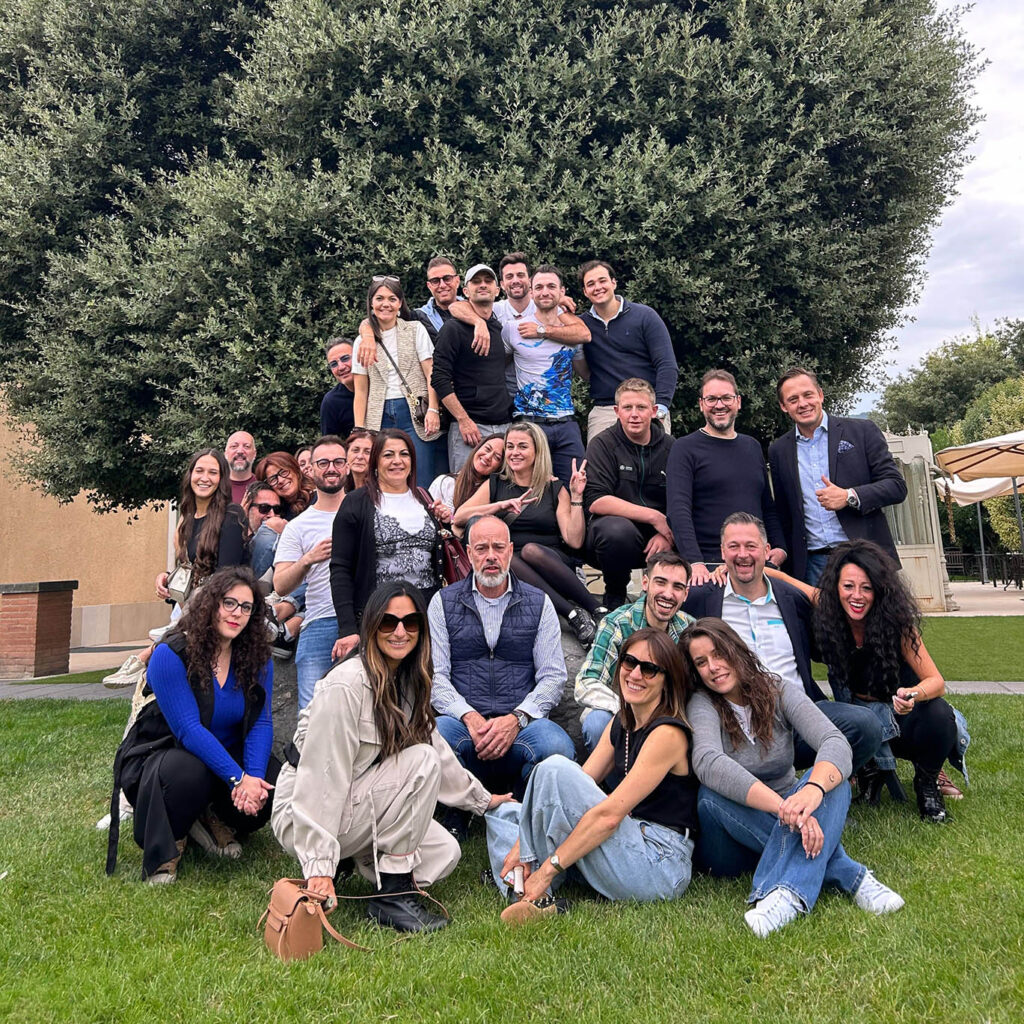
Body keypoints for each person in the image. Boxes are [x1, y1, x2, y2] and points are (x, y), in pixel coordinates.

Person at [271, 582, 512, 932]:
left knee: (444, 852)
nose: (400, 631)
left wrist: (483, 800)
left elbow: (440, 752)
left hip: (353, 802)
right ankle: (392, 895)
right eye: (388, 622)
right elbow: (322, 776)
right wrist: (319, 866)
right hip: (302, 812)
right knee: (421, 762)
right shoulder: (347, 685)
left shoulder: (408, 680)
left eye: (410, 622)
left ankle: (358, 867)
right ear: (371, 626)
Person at [681, 618, 904, 938]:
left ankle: (786, 894)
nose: (713, 667)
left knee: (830, 776)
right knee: (710, 795)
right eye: (701, 662)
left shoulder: (777, 689)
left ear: (736, 649)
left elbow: (834, 741)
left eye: (719, 654)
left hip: (790, 811)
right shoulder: (702, 703)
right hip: (728, 840)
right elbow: (708, 763)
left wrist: (812, 790)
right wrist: (785, 810)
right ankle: (850, 875)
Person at [486, 628, 697, 923]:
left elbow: (608, 816)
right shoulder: (622, 721)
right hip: (627, 845)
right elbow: (577, 785)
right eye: (628, 662)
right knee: (504, 811)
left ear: (666, 679)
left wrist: (545, 865)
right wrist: (524, 840)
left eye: (649, 669)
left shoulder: (667, 734)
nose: (635, 674)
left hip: (658, 863)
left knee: (553, 769)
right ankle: (534, 890)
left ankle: (532, 882)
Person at [106, 567, 277, 884]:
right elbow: (188, 730)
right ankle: (171, 839)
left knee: (272, 779)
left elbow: (261, 720)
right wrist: (238, 779)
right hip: (167, 757)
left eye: (246, 607)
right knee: (188, 773)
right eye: (229, 603)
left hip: (224, 759)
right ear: (210, 603)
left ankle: (209, 815)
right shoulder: (171, 654)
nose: (236, 613)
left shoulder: (256, 657)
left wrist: (253, 778)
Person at [684, 513, 882, 773]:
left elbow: (830, 639)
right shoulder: (701, 601)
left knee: (864, 724)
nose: (742, 554)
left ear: (766, 551)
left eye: (751, 546)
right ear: (722, 551)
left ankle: (819, 779)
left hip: (797, 718)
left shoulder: (792, 599)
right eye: (734, 546)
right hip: (734, 725)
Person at [813, 540, 965, 823]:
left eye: (866, 588)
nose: (856, 596)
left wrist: (912, 695)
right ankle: (870, 773)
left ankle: (927, 782)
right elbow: (801, 589)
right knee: (844, 719)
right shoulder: (830, 615)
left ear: (879, 591)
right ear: (835, 588)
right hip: (864, 719)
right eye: (848, 586)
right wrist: (761, 570)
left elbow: (936, 681)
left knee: (940, 713)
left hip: (901, 717)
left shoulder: (898, 625)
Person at [429, 516, 575, 813]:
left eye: (498, 547)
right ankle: (455, 815)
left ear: (510, 550)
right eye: (481, 548)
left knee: (557, 747)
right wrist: (469, 717)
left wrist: (516, 719)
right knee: (435, 738)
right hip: (464, 727)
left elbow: (553, 677)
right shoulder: (442, 602)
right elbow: (436, 677)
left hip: (521, 728)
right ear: (468, 553)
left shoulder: (539, 602)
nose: (491, 556)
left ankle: (523, 809)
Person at [103, 449, 248, 688]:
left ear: (221, 479)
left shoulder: (231, 515)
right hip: (193, 603)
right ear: (190, 475)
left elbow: (227, 575)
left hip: (224, 600)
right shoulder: (188, 519)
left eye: (213, 472)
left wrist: (196, 603)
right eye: (199, 471)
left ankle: (144, 656)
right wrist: (167, 578)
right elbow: (188, 567)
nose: (204, 477)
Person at [454, 421, 601, 645]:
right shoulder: (496, 484)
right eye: (510, 447)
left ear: (537, 451)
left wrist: (576, 496)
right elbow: (460, 516)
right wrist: (499, 506)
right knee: (507, 558)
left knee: (531, 550)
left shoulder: (553, 487)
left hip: (548, 558)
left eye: (522, 446)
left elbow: (574, 539)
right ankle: (573, 614)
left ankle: (597, 609)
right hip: (513, 565)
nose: (514, 453)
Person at [768, 367, 907, 584]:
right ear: (783, 406)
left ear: (820, 395)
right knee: (818, 620)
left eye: (808, 395)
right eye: (793, 399)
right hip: (812, 565)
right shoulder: (779, 450)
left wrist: (849, 496)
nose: (802, 403)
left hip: (865, 556)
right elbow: (783, 512)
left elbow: (896, 486)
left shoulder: (862, 431)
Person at [329, 429, 447, 661]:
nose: (397, 461)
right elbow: (340, 568)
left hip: (427, 615)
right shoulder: (355, 503)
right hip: (380, 615)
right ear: (375, 463)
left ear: (412, 462)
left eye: (404, 454)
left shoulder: (424, 499)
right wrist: (348, 629)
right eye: (388, 455)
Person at [667, 370, 786, 586]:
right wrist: (694, 562)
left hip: (755, 564)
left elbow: (766, 505)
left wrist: (779, 547)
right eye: (711, 399)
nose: (719, 405)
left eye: (726, 398)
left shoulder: (752, 446)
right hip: (709, 567)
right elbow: (678, 509)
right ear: (701, 404)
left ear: (738, 402)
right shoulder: (684, 448)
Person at [575, 552, 694, 751]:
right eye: (661, 582)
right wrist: (632, 711)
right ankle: (608, 782)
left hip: (669, 718)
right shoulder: (618, 623)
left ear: (686, 594)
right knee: (596, 722)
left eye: (677, 587)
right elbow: (586, 682)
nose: (668, 593)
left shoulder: (689, 629)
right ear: (645, 583)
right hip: (621, 712)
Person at [583, 378, 674, 610]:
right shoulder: (601, 444)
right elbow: (596, 500)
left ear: (654, 411)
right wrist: (654, 517)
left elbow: (682, 499)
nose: (634, 414)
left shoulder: (673, 447)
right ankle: (615, 591)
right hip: (614, 539)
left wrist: (667, 533)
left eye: (641, 408)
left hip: (661, 536)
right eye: (627, 408)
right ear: (617, 411)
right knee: (615, 530)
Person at [274, 436, 348, 709]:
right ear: (311, 470)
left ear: (348, 467)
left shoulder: (366, 511)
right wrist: (307, 560)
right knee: (311, 716)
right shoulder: (298, 526)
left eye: (338, 461)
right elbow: (280, 585)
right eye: (323, 462)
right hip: (319, 622)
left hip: (365, 621)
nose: (332, 468)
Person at [351, 275, 446, 487]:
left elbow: (431, 372)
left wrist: (433, 408)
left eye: (392, 299)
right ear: (371, 303)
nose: (386, 304)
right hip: (378, 415)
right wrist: (359, 429)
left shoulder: (415, 330)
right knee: (384, 479)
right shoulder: (362, 341)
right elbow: (361, 390)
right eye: (380, 298)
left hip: (415, 413)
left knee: (422, 476)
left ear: (400, 303)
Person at [504, 264, 591, 481]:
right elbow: (499, 366)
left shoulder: (572, 332)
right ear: (531, 292)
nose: (545, 292)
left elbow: (585, 373)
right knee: (530, 490)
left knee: (575, 486)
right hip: (529, 423)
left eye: (551, 286)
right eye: (539, 287)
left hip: (565, 422)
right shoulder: (513, 329)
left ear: (562, 292)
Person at [577, 260, 676, 440]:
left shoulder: (645, 316)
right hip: (605, 411)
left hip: (647, 408)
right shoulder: (581, 325)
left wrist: (660, 408)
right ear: (585, 291)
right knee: (599, 467)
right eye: (590, 284)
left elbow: (667, 365)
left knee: (655, 467)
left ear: (613, 282)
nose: (597, 287)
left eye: (602, 281)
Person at [430, 264, 514, 472]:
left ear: (497, 290)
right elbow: (439, 379)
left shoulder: (497, 327)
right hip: (470, 429)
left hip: (504, 427)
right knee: (464, 493)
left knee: (501, 496)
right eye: (476, 282)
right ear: (465, 291)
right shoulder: (452, 329)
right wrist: (463, 420)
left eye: (488, 281)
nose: (483, 285)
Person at [428, 434, 504, 518]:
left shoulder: (495, 494)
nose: (487, 457)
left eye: (497, 457)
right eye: (487, 449)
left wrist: (451, 518)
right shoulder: (445, 483)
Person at [254, 451, 315, 516]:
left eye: (283, 472)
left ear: (296, 470)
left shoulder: (319, 499)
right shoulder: (274, 513)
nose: (280, 480)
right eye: (273, 479)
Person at [320, 336, 356, 437]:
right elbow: (329, 443)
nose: (341, 367)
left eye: (345, 358)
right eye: (334, 364)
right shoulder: (332, 401)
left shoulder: (378, 387)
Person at [225, 431, 257, 504]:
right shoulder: (216, 486)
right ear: (226, 453)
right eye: (234, 446)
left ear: (254, 454)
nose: (240, 451)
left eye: (246, 446)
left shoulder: (264, 487)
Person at [343, 428, 374, 493]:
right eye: (355, 450)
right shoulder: (339, 488)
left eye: (367, 452)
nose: (360, 456)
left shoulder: (380, 492)